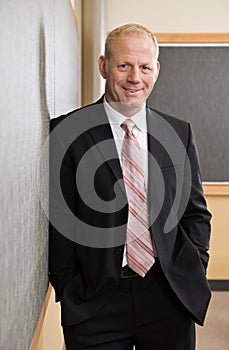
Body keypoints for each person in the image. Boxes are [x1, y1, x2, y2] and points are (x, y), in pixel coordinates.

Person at [49, 24, 212, 350]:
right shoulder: (67, 132)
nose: (135, 77)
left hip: (167, 295)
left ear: (156, 70)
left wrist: (194, 264)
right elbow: (59, 219)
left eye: (144, 67)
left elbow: (195, 212)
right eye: (124, 65)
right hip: (95, 302)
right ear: (104, 66)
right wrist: (68, 285)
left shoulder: (178, 132)